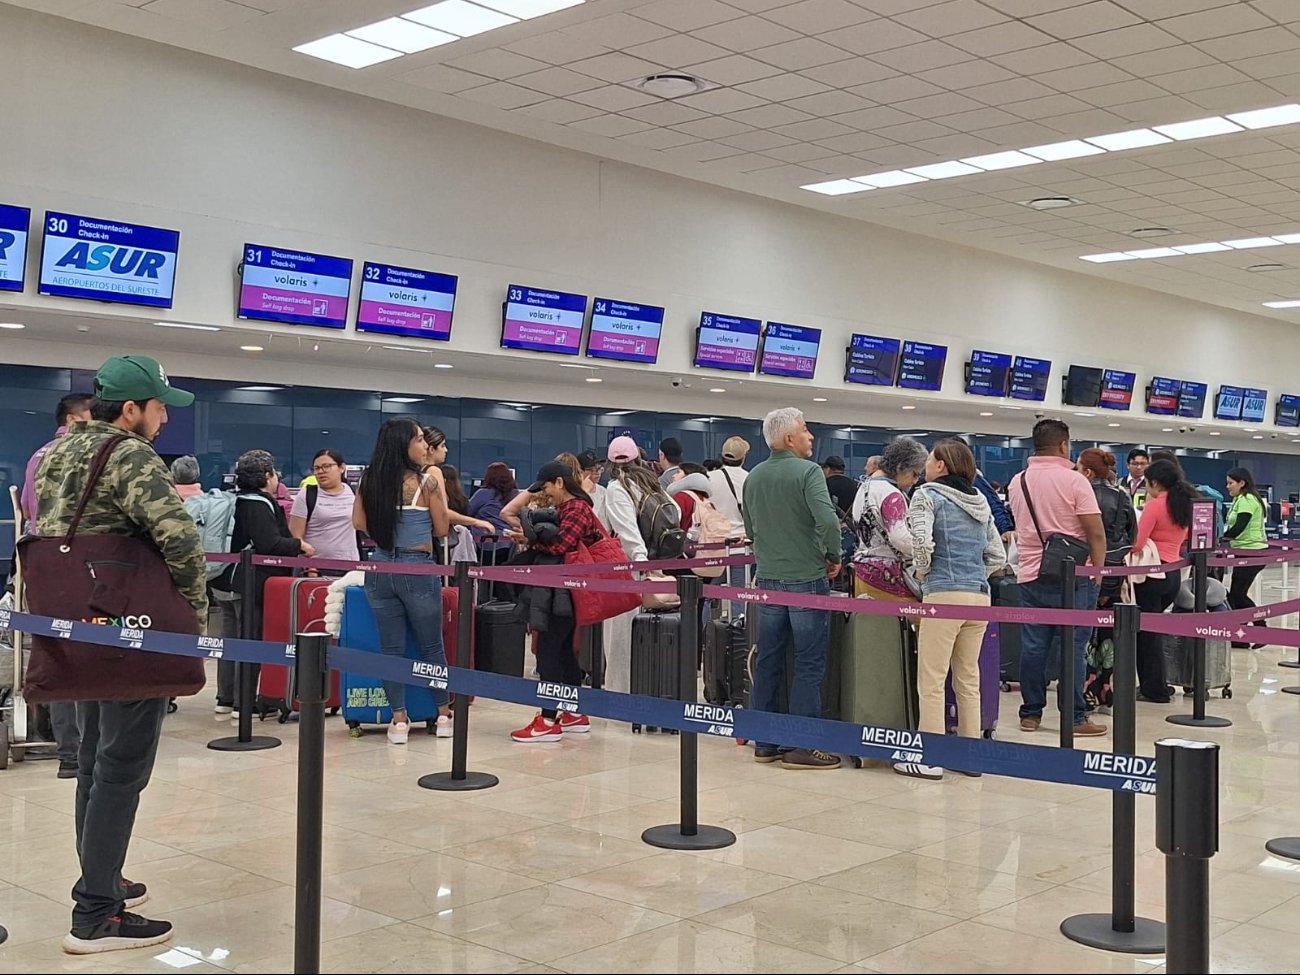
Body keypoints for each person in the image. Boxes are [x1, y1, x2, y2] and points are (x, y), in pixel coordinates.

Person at [34, 354, 205, 953]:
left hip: (75, 622)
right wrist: (191, 610)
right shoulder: (129, 454)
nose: (163, 420)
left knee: (96, 763)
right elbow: (178, 536)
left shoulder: (57, 451)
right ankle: (97, 914)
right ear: (130, 409)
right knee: (122, 769)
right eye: (159, 408)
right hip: (129, 624)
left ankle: (101, 879)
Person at [897, 439, 1005, 780]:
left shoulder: (926, 495)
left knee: (931, 679)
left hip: (943, 596)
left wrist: (923, 572)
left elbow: (922, 543)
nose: (926, 465)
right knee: (967, 678)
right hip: (979, 597)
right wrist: (974, 576)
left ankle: (930, 756)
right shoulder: (981, 501)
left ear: (941, 465)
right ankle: (970, 756)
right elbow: (998, 556)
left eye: (930, 459)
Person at [744, 407, 843, 770]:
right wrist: (834, 555)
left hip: (767, 580)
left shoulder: (753, 476)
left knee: (769, 659)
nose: (811, 437)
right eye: (805, 431)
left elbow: (751, 532)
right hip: (806, 578)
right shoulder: (809, 472)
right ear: (789, 439)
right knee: (808, 662)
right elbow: (828, 521)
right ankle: (803, 744)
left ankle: (764, 742)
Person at [354, 418, 454, 743]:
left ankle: (398, 720)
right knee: (431, 645)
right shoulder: (427, 483)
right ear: (405, 444)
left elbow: (359, 522)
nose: (425, 445)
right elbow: (441, 529)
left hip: (379, 567)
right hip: (418, 568)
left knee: (391, 648)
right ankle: (443, 714)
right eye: (421, 439)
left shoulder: (369, 481)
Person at [1005, 419, 1107, 737]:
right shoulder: (1076, 482)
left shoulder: (1017, 481)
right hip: (1074, 577)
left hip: (1030, 574)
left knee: (1033, 647)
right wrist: (1097, 574)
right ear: (1064, 445)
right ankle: (1075, 718)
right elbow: (1096, 534)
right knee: (1073, 648)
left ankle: (1030, 714)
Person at [18, 391, 92, 781]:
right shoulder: (81, 454)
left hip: (41, 563)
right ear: (76, 418)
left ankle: (66, 749)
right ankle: (81, 748)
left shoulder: (38, 455)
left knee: (57, 649)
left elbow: (29, 510)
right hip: (79, 564)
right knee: (86, 650)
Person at [508, 460, 605, 742]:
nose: (546, 493)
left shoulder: (576, 508)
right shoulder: (570, 508)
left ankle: (548, 720)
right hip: (563, 593)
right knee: (562, 652)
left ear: (560, 482)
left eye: (548, 487)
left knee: (548, 652)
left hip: (565, 593)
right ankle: (573, 712)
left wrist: (532, 540)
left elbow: (562, 545)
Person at [217, 450, 314, 720]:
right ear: (267, 476)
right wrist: (299, 545)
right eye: (274, 473)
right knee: (250, 641)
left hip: (224, 578)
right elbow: (269, 544)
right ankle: (243, 703)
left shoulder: (234, 499)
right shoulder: (258, 504)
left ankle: (225, 699)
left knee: (230, 642)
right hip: (250, 583)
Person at [1130, 459, 1199, 702]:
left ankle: (1154, 689)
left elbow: (1137, 543)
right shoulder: (1184, 504)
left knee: (1146, 635)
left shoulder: (1155, 506)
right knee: (1155, 631)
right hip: (1173, 574)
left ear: (1155, 482)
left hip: (1152, 574)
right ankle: (1160, 683)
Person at [601, 437, 663, 692]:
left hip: (628, 570)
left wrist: (640, 562)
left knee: (620, 638)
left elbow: (627, 532)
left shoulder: (617, 488)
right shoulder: (650, 483)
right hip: (655, 564)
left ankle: (620, 693)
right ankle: (645, 688)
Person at [849, 437, 927, 601]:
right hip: (888, 578)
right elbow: (901, 539)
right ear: (901, 467)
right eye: (915, 474)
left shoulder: (864, 488)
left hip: (862, 571)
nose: (914, 481)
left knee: (872, 624)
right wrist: (926, 549)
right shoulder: (892, 495)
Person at [1077, 448, 1137, 606]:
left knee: (1081, 616)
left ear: (1088, 472)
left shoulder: (1079, 494)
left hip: (1083, 563)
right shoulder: (1122, 494)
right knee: (1111, 618)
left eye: (1078, 469)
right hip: (1114, 564)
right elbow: (1132, 533)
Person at [1223, 466, 1269, 646]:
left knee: (1238, 594)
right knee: (1235, 594)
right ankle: (1240, 636)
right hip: (1243, 551)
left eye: (1230, 483)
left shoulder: (1247, 500)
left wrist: (1223, 539)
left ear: (1242, 483)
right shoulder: (1241, 499)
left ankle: (1261, 629)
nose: (1228, 487)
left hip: (1253, 552)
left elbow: (1240, 525)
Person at [288, 448, 359, 563]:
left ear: (342, 468)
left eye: (326, 466)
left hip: (350, 566)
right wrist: (309, 566)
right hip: (315, 567)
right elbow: (295, 536)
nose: (321, 472)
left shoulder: (353, 493)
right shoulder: (307, 494)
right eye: (317, 468)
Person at [707, 436, 751, 617]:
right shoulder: (750, 479)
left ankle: (703, 637)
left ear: (721, 455)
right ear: (744, 457)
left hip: (714, 547)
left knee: (707, 595)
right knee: (738, 596)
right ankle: (738, 638)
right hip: (741, 548)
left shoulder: (708, 478)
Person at [467, 462, 519, 565]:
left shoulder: (483, 493)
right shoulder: (516, 495)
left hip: (484, 545)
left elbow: (467, 512)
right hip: (509, 545)